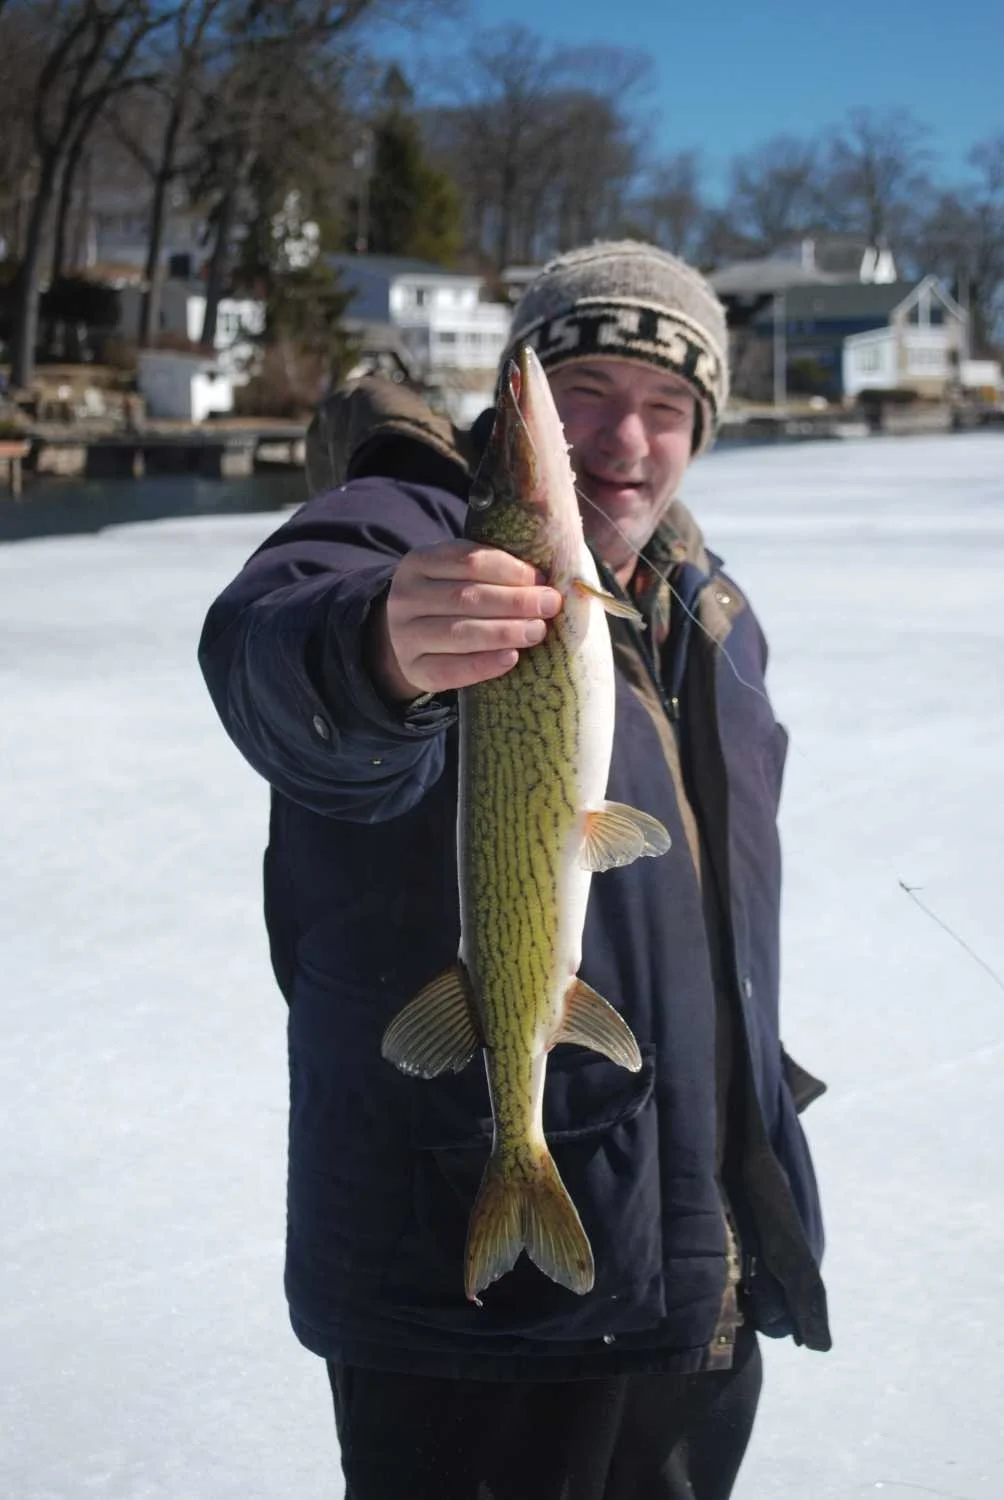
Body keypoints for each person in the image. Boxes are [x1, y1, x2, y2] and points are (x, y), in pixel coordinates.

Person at [198, 240, 830, 1500]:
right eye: (583, 391)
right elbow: (268, 643)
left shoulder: (698, 604)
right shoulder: (414, 528)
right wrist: (375, 647)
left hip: (694, 1263)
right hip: (465, 1312)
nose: (624, 440)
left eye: (666, 405)